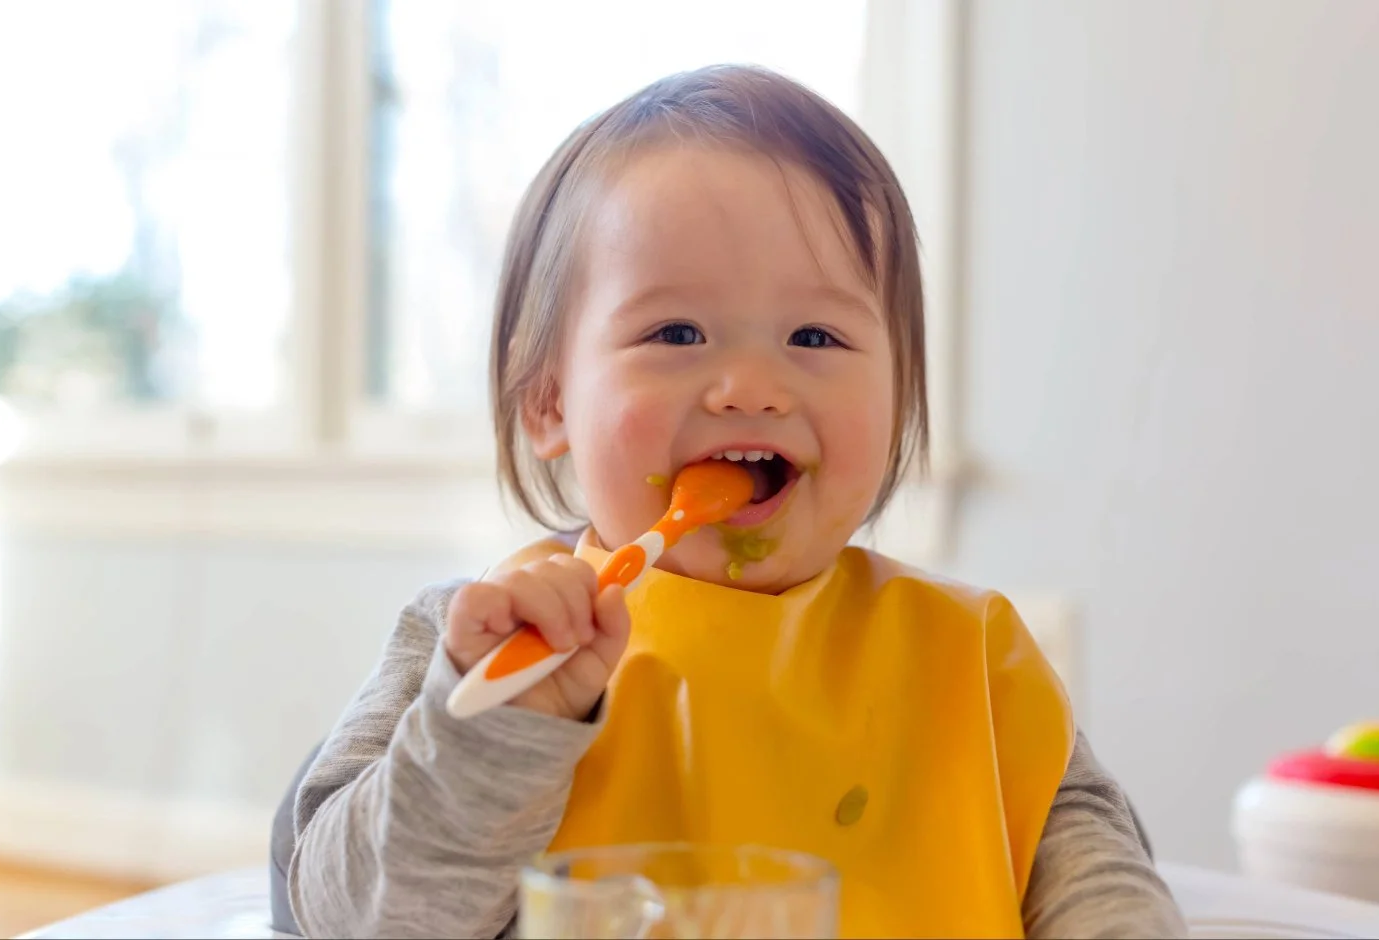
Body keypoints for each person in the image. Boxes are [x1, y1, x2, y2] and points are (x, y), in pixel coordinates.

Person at [272, 65, 1186, 939]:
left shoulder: (972, 664)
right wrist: (494, 737)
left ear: (902, 396)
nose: (750, 387)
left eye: (815, 335)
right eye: (677, 332)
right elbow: (359, 918)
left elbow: (1103, 891)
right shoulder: (486, 646)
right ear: (549, 401)